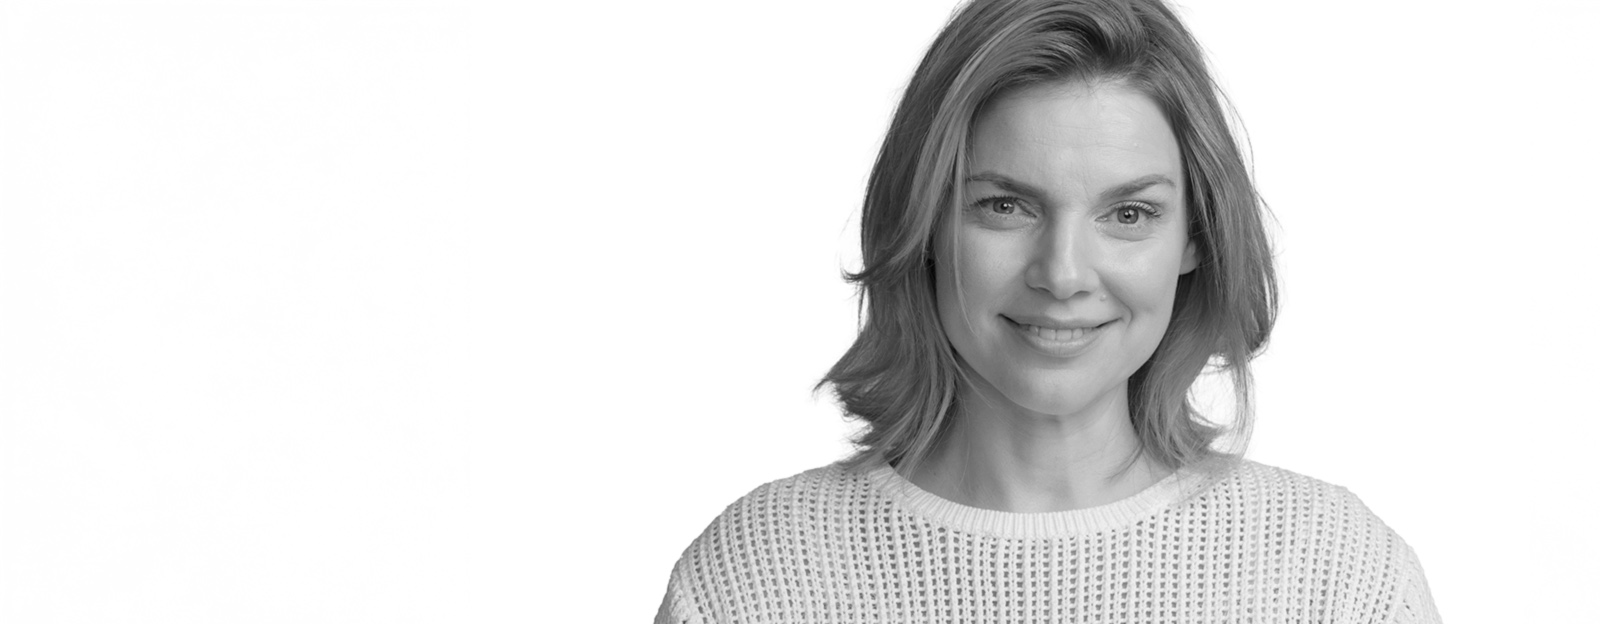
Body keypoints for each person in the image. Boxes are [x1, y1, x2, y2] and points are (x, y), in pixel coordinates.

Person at [655, 0, 1440, 622]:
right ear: (924, 224)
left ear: (1195, 238)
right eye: (1005, 205)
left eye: (1128, 214)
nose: (1063, 274)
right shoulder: (752, 586)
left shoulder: (1341, 580)